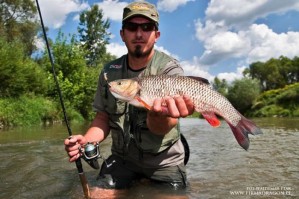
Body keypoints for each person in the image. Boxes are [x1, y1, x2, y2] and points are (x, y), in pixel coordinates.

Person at [64, 0, 194, 194]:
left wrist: (157, 115)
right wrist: (87, 141)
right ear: (122, 34)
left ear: (156, 35)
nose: (139, 34)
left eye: (147, 27)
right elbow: (103, 118)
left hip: (163, 162)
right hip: (123, 159)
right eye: (132, 27)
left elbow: (163, 128)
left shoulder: (170, 70)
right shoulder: (109, 73)